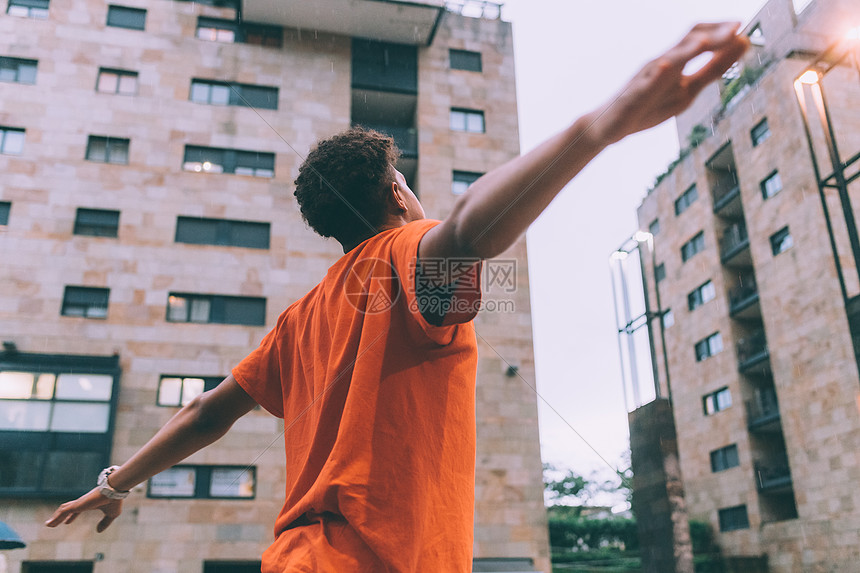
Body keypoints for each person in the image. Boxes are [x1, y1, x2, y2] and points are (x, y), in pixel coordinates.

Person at [46, 23, 748, 572]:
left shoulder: (297, 321)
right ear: (395, 191)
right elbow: (471, 228)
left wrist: (116, 482)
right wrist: (607, 120)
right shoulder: (407, 259)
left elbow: (205, 412)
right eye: (407, 181)